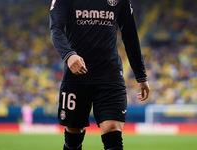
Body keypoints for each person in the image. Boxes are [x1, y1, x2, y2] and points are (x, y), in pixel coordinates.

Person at [50, 0, 150, 149]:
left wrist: (141, 76)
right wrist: (69, 55)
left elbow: (130, 35)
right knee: (74, 135)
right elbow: (56, 29)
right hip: (77, 77)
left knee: (113, 131)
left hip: (110, 75)